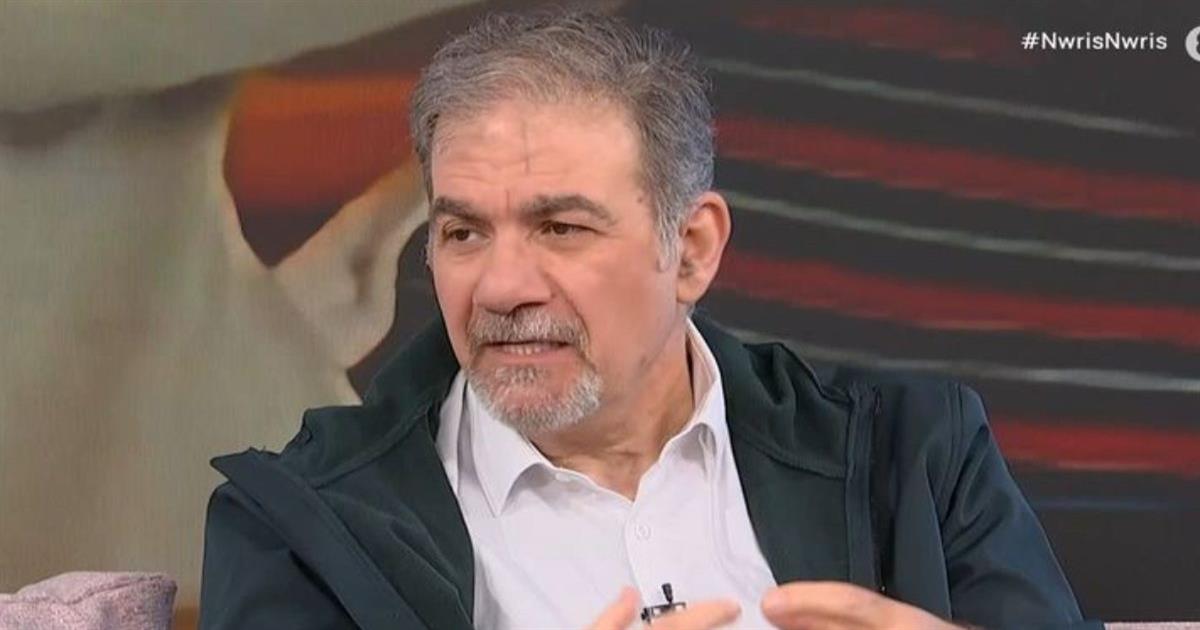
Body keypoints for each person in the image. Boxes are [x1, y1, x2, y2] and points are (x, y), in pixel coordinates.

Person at [199, 10, 1100, 630]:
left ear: (693, 249)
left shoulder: (918, 457)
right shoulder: (302, 525)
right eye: (463, 232)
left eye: (561, 227)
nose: (502, 286)